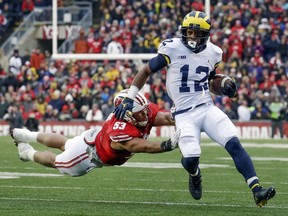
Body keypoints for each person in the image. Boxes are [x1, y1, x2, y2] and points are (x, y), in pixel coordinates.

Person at [114, 11, 276, 207]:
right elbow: (146, 70)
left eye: (196, 33)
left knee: (233, 143)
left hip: (206, 107)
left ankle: (257, 190)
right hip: (183, 114)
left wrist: (225, 87)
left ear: (206, 35)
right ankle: (195, 173)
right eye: (189, 32)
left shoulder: (214, 52)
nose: (192, 36)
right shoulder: (171, 48)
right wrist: (130, 98)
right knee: (191, 158)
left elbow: (209, 81)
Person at [11, 90, 180, 177]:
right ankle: (27, 152)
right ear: (128, 114)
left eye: (145, 110)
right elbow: (140, 146)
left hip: (91, 140)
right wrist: (168, 144)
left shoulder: (138, 111)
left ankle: (25, 135)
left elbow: (163, 117)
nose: (146, 114)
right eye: (140, 112)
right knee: (58, 161)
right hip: (87, 155)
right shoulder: (120, 129)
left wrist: (182, 118)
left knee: (65, 143)